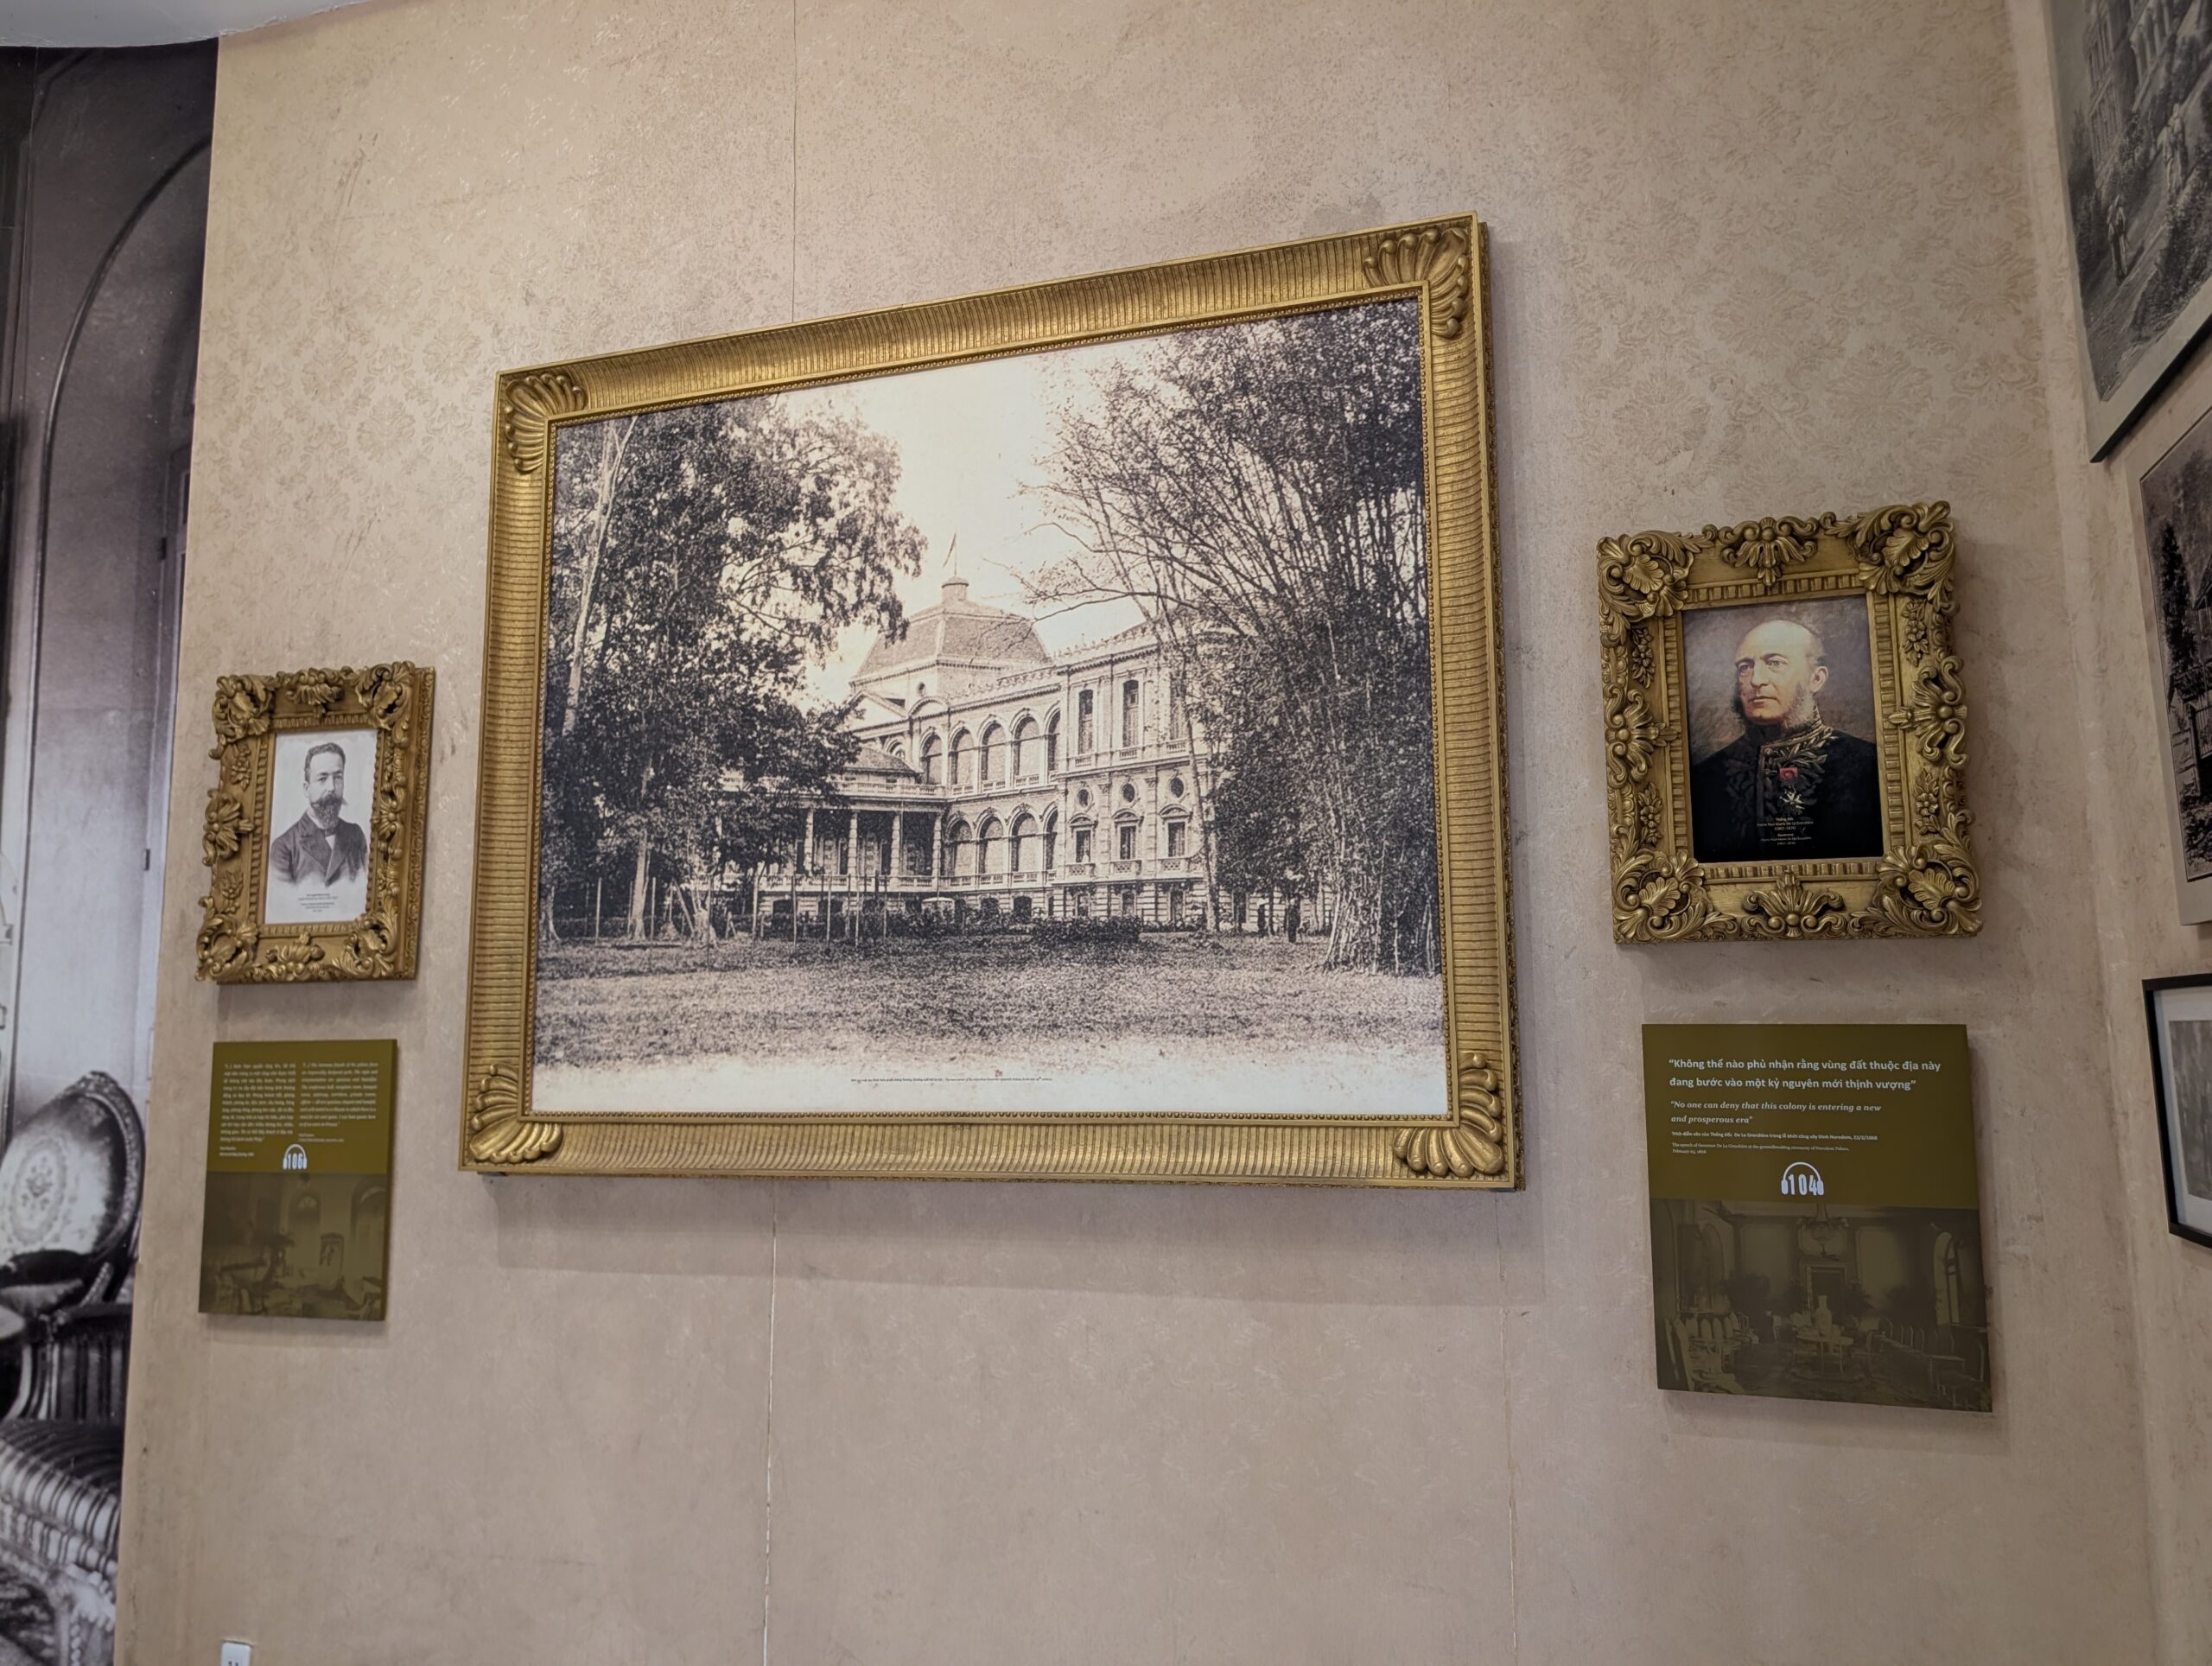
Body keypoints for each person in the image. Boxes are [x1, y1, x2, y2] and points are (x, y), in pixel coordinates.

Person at [1689, 617, 1881, 863]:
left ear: (1816, 679)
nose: (1756, 680)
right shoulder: (1704, 777)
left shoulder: (1870, 765)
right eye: (1745, 667)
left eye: (1775, 663)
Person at [267, 741, 369, 916]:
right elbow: (283, 911)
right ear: (306, 789)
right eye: (322, 779)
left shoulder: (355, 835)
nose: (332, 788)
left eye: (338, 777)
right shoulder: (284, 847)